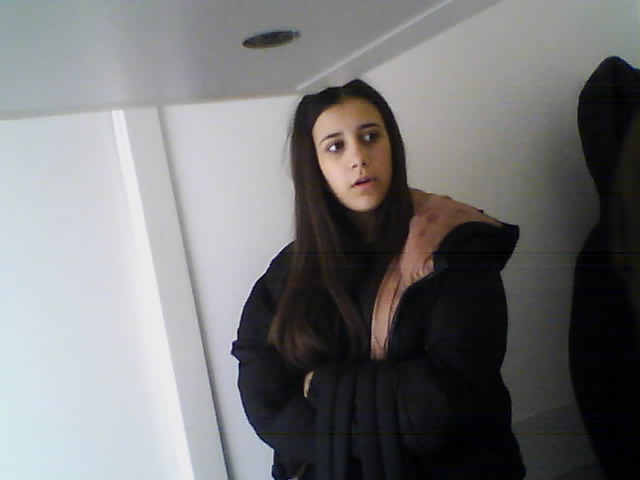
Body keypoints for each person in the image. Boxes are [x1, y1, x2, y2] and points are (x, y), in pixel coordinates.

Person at [231, 79, 525, 480]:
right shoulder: (287, 274)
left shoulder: (455, 245)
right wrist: (367, 439)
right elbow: (266, 403)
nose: (358, 157)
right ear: (313, 165)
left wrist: (322, 388)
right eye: (336, 146)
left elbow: (447, 402)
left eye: (370, 137)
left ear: (392, 145)